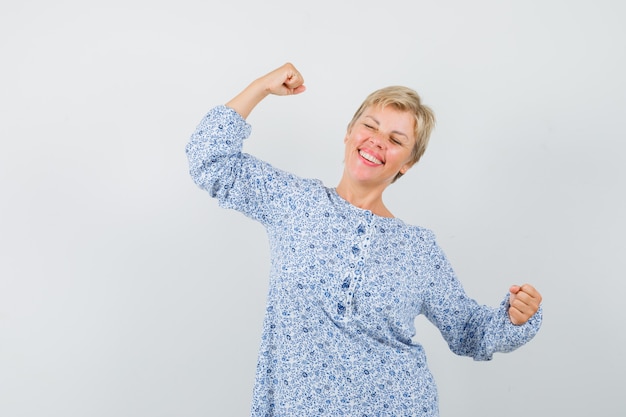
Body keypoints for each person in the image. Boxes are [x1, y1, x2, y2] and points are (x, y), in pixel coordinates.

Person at [186, 63, 543, 417]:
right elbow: (209, 159)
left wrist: (515, 317)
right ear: (348, 133)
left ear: (407, 164)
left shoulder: (417, 249)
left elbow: (468, 330)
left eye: (396, 139)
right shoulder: (293, 202)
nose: (377, 141)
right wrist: (260, 87)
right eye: (370, 126)